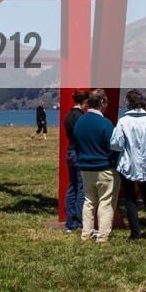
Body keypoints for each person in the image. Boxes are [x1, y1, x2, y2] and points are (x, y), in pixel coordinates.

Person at [110, 90, 146, 242]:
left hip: (128, 164)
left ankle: (135, 234)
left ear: (128, 103)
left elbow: (116, 144)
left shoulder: (123, 122)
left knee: (130, 199)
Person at [73, 89, 117, 242]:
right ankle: (103, 236)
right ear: (102, 102)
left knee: (89, 201)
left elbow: (76, 145)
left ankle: (86, 233)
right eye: (106, 102)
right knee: (105, 202)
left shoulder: (79, 121)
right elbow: (113, 147)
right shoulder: (105, 123)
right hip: (104, 167)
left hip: (85, 167)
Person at [62, 90, 88, 232]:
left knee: (72, 186)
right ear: (85, 101)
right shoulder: (80, 117)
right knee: (81, 188)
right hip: (78, 152)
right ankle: (80, 221)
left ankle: (70, 221)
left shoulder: (68, 116)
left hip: (69, 151)